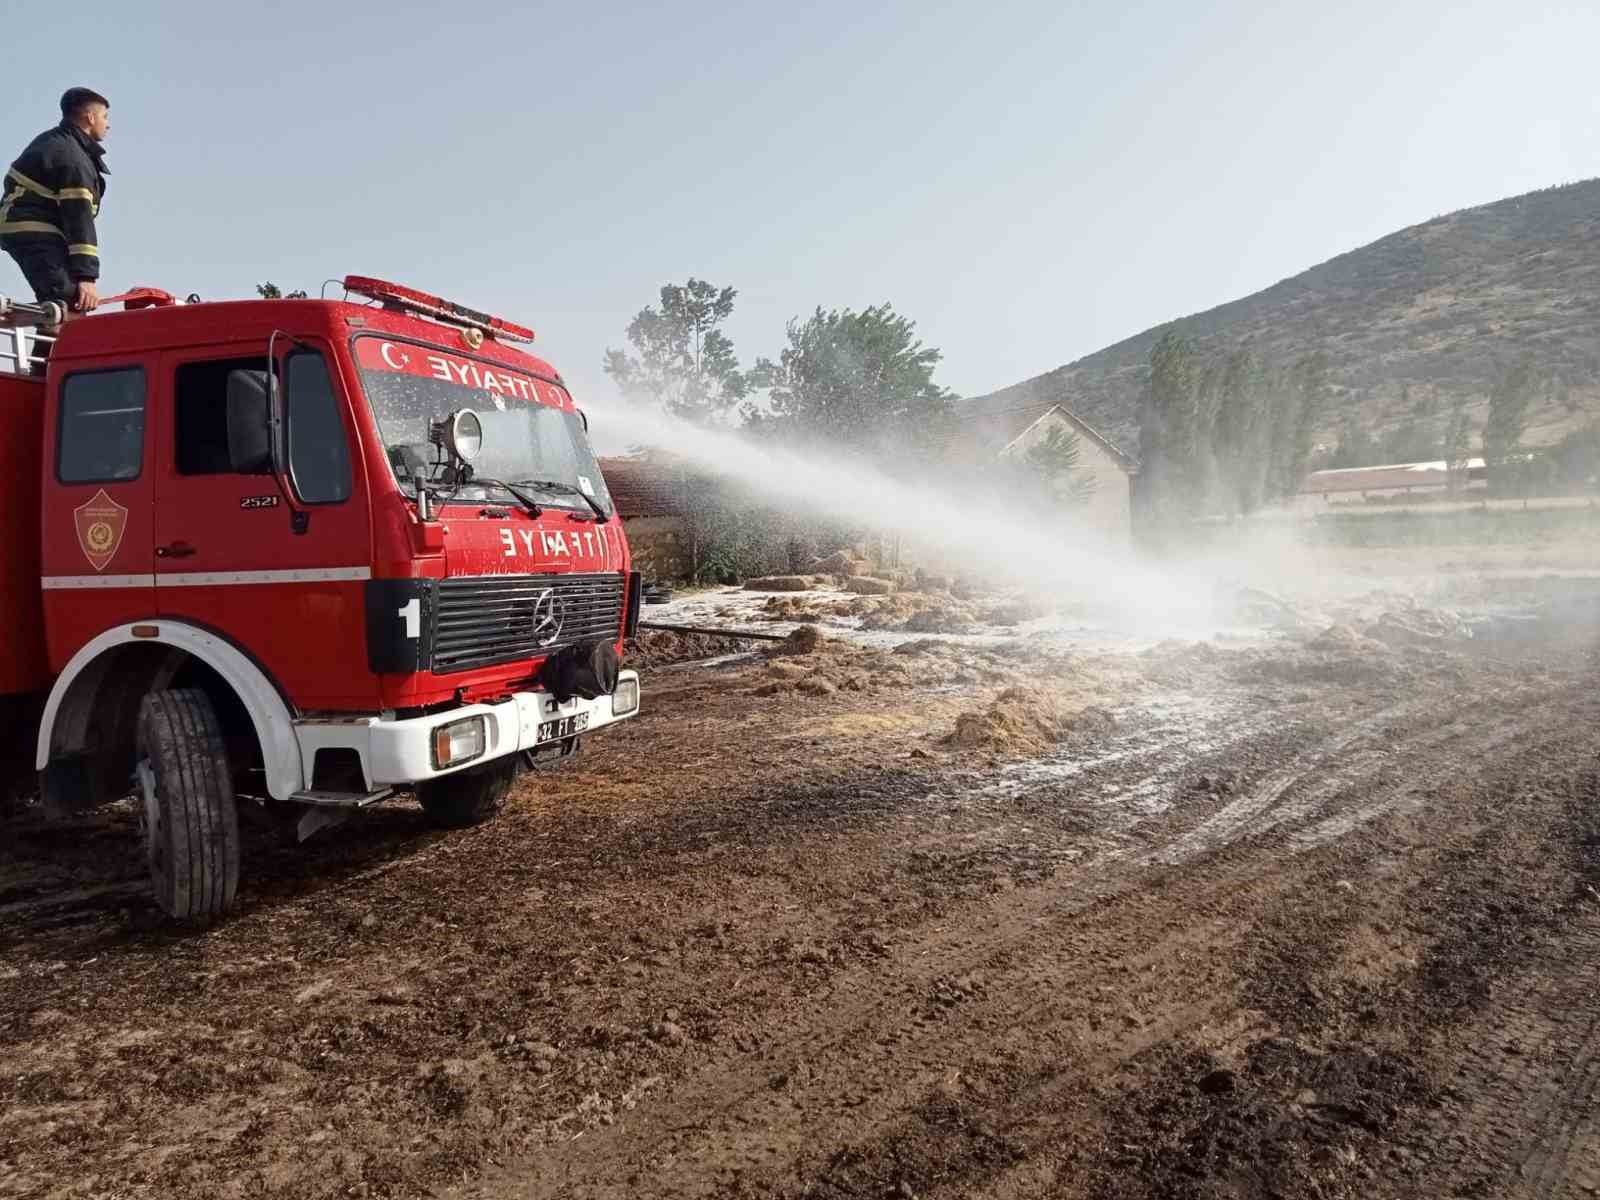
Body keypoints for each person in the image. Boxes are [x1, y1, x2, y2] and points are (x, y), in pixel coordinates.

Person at [0, 87, 111, 331]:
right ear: (90, 118)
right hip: (31, 226)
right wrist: (87, 278)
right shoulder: (74, 158)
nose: (108, 124)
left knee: (64, 304)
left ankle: (25, 316)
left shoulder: (64, 145)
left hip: (31, 225)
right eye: (105, 117)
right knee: (72, 301)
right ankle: (45, 369)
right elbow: (79, 219)